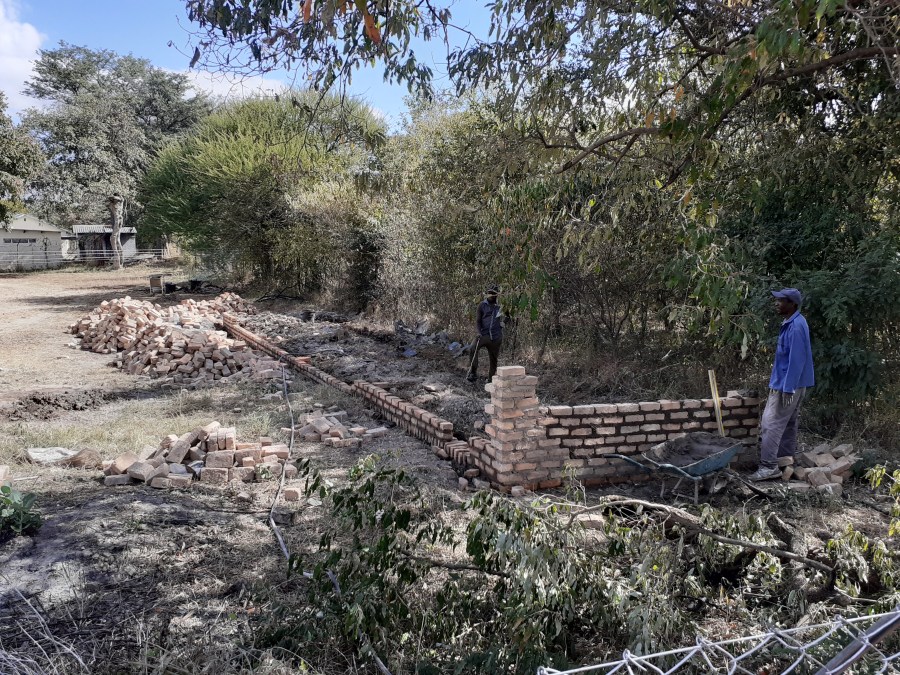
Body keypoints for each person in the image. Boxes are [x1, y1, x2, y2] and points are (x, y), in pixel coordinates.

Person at [749, 288, 815, 481]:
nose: (776, 303)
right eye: (776, 300)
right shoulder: (793, 322)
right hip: (791, 383)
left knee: (770, 424)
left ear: (792, 304)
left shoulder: (796, 327)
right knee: (788, 423)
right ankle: (785, 460)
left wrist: (788, 388)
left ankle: (768, 466)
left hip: (788, 385)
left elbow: (797, 360)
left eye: (781, 300)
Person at [467, 285, 503, 383]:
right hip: (484, 334)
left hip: (496, 336)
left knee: (493, 359)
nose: (490, 295)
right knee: (473, 348)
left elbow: (508, 315)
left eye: (493, 293)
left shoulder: (500, 306)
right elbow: (478, 321)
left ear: (496, 295)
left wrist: (503, 323)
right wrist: (479, 332)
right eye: (489, 293)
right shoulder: (482, 305)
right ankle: (473, 373)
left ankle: (491, 379)